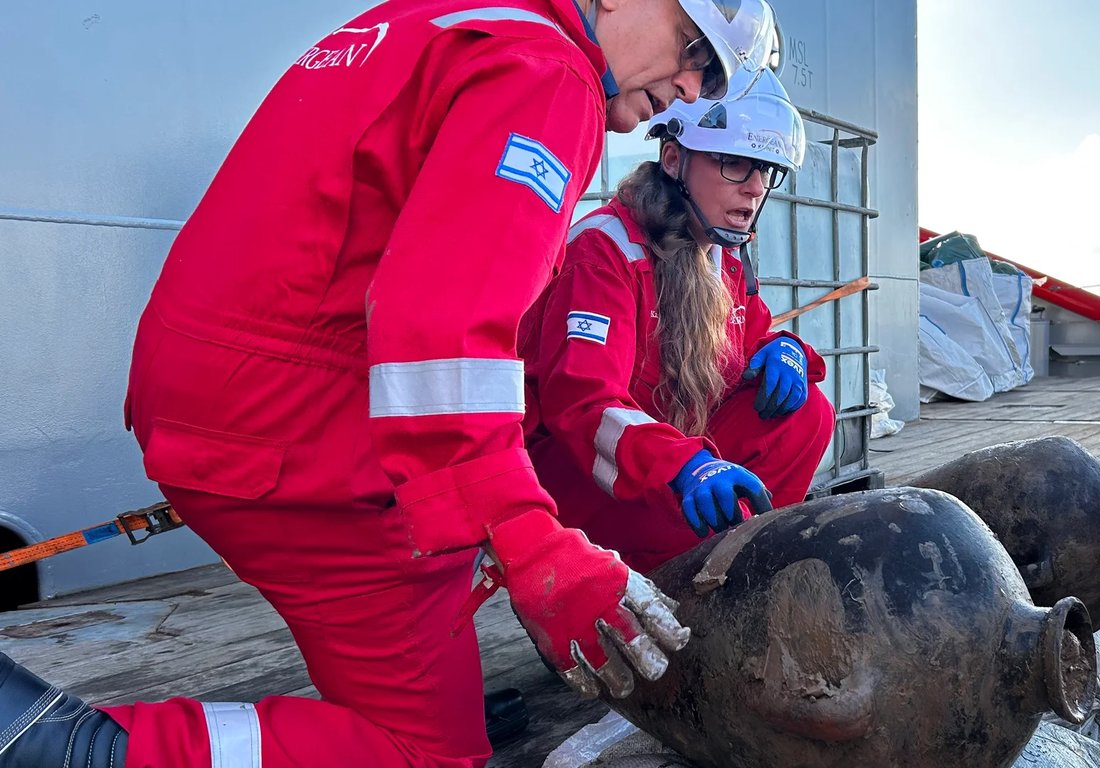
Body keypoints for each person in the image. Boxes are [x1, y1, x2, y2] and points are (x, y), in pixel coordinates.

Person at [0, 1, 780, 766]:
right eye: (691, 47)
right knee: (424, 754)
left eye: (709, 76)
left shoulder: (441, 22)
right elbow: (442, 331)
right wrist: (533, 543)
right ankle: (69, 748)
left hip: (226, 399)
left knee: (427, 634)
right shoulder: (548, 74)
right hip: (297, 434)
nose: (690, 88)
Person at [520, 69, 835, 574]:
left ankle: (727, 559)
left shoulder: (720, 257)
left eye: (765, 170)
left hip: (661, 465)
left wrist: (789, 350)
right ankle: (665, 579)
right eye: (734, 163)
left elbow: (753, 335)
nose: (755, 188)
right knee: (696, 518)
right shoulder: (605, 252)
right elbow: (584, 404)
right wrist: (681, 467)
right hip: (588, 479)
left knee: (807, 414)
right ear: (674, 159)